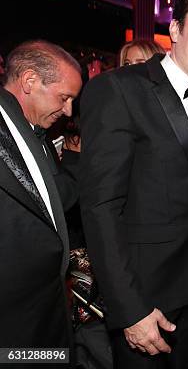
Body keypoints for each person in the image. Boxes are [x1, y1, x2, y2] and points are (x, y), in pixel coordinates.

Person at [79, 0, 188, 368]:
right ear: (176, 29)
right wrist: (130, 310)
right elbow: (101, 208)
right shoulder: (119, 90)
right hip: (144, 302)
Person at [0, 40, 82, 350]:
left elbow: (56, 195)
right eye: (64, 97)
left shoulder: (36, 135)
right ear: (30, 81)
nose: (68, 110)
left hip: (41, 310)